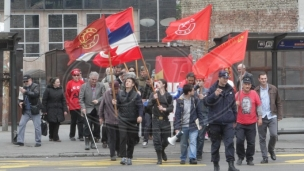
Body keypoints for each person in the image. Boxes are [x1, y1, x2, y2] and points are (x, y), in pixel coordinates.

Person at [203, 70, 239, 171]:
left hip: (228, 121)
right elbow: (206, 102)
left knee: (229, 143)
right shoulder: (212, 89)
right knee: (215, 144)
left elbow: (233, 105)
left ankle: (231, 165)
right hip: (215, 122)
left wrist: (235, 118)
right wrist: (214, 95)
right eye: (223, 78)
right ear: (219, 78)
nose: (225, 80)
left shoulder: (230, 90)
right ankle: (215, 165)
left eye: (227, 78)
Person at [112, 77, 143, 165]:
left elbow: (140, 106)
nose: (127, 83)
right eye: (126, 81)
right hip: (122, 119)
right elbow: (117, 106)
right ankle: (123, 156)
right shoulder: (120, 93)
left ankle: (129, 156)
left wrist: (140, 116)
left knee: (131, 139)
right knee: (123, 137)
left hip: (132, 120)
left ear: (133, 84)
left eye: (129, 82)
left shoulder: (136, 95)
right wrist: (114, 103)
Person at [255, 72, 283, 164]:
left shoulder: (273, 88)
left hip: (272, 115)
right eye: (262, 78)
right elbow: (254, 105)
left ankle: (271, 149)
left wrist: (279, 115)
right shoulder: (256, 91)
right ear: (259, 79)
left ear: (267, 79)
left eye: (265, 78)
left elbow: (278, 102)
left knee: (274, 135)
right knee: (262, 138)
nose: (264, 80)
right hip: (261, 116)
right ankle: (264, 157)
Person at [235, 76, 262, 166]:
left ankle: (249, 158)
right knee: (239, 141)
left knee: (251, 142)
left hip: (251, 123)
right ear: (242, 85)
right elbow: (231, 108)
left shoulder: (254, 93)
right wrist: (236, 104)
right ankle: (240, 157)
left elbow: (259, 106)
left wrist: (260, 117)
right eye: (245, 84)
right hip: (240, 122)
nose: (247, 86)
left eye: (248, 84)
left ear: (251, 85)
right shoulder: (238, 94)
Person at [174, 84, 203, 165]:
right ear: (188, 92)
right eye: (193, 90)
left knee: (193, 141)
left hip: (193, 125)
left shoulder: (195, 100)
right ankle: (183, 158)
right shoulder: (180, 100)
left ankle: (192, 158)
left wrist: (200, 123)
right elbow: (177, 115)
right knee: (183, 143)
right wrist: (176, 127)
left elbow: (199, 112)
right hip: (183, 126)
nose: (194, 91)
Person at [147, 79, 173, 164]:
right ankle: (159, 157)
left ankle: (162, 150)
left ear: (164, 85)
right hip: (156, 119)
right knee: (157, 140)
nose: (157, 84)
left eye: (159, 83)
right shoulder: (154, 94)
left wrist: (164, 109)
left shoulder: (168, 96)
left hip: (165, 120)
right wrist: (154, 100)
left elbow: (171, 108)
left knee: (166, 139)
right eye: (157, 83)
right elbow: (148, 106)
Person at [79, 71, 105, 150]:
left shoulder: (101, 85)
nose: (94, 81)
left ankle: (94, 141)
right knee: (87, 126)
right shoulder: (84, 86)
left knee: (97, 126)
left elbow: (104, 96)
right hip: (87, 108)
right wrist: (83, 107)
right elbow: (81, 99)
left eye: (95, 79)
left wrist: (98, 100)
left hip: (97, 109)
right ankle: (87, 141)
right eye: (92, 79)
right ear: (89, 78)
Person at [14, 74, 42, 147]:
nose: (26, 82)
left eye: (27, 81)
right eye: (24, 81)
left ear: (31, 80)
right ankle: (20, 141)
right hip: (26, 110)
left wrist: (25, 92)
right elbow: (19, 98)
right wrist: (19, 102)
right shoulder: (23, 88)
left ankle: (38, 141)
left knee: (37, 126)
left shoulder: (35, 86)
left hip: (34, 110)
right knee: (21, 124)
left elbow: (36, 94)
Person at [99, 81, 120, 161]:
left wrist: (116, 103)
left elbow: (123, 105)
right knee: (111, 138)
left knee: (118, 137)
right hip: (109, 119)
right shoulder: (106, 94)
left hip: (119, 120)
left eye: (117, 89)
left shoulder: (121, 94)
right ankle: (112, 154)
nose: (116, 91)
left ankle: (118, 150)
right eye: (115, 89)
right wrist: (101, 117)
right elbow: (102, 106)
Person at [42, 77, 68, 142]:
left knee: (57, 122)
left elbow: (63, 100)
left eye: (59, 82)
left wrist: (65, 109)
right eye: (57, 82)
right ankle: (51, 136)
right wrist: (44, 110)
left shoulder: (60, 89)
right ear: (53, 83)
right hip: (50, 108)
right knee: (51, 122)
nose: (59, 83)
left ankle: (56, 137)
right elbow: (44, 100)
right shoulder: (48, 90)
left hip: (59, 108)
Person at [65, 69, 85, 141]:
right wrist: (68, 103)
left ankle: (81, 135)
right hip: (72, 105)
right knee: (73, 120)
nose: (76, 76)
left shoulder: (82, 83)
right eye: (75, 75)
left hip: (80, 105)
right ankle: (72, 135)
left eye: (77, 75)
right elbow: (67, 94)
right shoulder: (69, 83)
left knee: (80, 121)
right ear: (72, 76)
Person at [194, 77, 209, 161]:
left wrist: (204, 98)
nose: (199, 82)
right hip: (194, 117)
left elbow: (210, 103)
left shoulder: (207, 91)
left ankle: (198, 153)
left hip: (203, 116)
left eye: (200, 81)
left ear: (204, 82)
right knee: (194, 136)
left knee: (200, 136)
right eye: (198, 81)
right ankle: (194, 151)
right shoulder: (193, 91)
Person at [141, 77, 154, 148]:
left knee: (155, 125)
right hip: (147, 109)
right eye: (147, 82)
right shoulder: (145, 88)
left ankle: (156, 139)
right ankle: (145, 140)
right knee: (147, 124)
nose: (148, 83)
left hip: (154, 109)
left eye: (149, 81)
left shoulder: (155, 87)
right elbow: (143, 98)